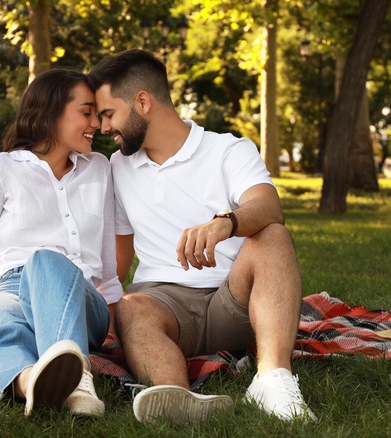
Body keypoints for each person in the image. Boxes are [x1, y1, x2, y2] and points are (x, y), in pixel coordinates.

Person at [86, 49, 317, 423]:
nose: (103, 127)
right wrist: (99, 310)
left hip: (234, 300)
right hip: (164, 305)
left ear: (142, 102)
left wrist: (224, 222)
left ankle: (273, 379)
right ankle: (176, 397)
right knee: (132, 305)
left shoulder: (228, 150)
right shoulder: (118, 165)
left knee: (273, 235)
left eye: (109, 114)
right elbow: (119, 256)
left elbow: (270, 208)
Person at [0, 68, 122, 418]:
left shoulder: (100, 169)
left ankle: (76, 378)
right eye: (86, 112)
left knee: (46, 260)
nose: (96, 122)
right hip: (9, 287)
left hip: (78, 298)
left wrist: (113, 333)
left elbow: (108, 270)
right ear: (50, 113)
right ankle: (31, 381)